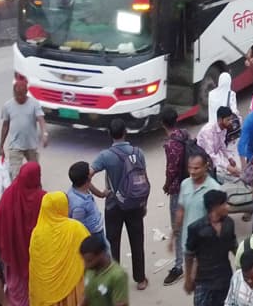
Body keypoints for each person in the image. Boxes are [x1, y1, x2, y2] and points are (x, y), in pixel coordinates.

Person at [91, 119, 149, 290]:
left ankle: (115, 281)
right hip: (135, 205)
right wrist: (143, 203)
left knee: (113, 243)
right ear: (126, 132)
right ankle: (140, 280)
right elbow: (143, 180)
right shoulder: (138, 153)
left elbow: (87, 176)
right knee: (137, 242)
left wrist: (100, 193)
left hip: (113, 206)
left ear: (109, 134)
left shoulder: (105, 155)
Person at [0, 161, 45, 306]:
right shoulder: (43, 198)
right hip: (36, 257)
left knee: (15, 289)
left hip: (12, 253)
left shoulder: (8, 195)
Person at [29, 191, 90, 306]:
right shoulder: (76, 228)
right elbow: (90, 256)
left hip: (47, 292)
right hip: (73, 287)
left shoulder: (36, 234)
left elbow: (35, 268)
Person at [185, 190, 238, 306]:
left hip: (225, 277)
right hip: (204, 280)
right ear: (215, 207)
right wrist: (188, 278)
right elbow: (189, 254)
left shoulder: (229, 224)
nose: (227, 207)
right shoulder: (196, 228)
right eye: (224, 204)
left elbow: (234, 247)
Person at [176, 153, 224, 281]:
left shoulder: (214, 188)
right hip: (188, 241)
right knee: (192, 279)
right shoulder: (185, 184)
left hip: (206, 244)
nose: (192, 172)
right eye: (190, 168)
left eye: (196, 168)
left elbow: (219, 219)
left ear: (206, 167)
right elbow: (181, 209)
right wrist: (173, 234)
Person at [161, 109, 190, 285]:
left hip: (177, 190)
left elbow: (171, 170)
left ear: (162, 123)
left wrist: (166, 185)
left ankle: (179, 266)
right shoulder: (185, 134)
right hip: (191, 185)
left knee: (177, 227)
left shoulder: (170, 144)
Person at [0, 80, 48, 180]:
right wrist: (1, 145)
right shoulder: (7, 106)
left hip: (31, 145)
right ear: (13, 93)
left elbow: (41, 119)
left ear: (26, 92)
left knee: (35, 173)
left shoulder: (34, 104)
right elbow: (5, 126)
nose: (20, 97)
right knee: (15, 176)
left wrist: (44, 133)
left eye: (22, 95)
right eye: (17, 95)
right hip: (15, 146)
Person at [81, 233, 129, 306]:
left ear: (101, 255)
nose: (86, 265)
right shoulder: (89, 269)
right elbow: (87, 295)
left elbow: (121, 304)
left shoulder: (118, 276)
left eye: (89, 260)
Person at [199, 107, 241, 180]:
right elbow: (211, 154)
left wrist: (230, 158)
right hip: (201, 158)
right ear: (220, 120)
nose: (230, 122)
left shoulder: (224, 128)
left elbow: (222, 145)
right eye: (228, 120)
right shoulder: (208, 131)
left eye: (231, 119)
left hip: (210, 159)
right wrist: (228, 167)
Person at [67, 161, 105, 242]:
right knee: (106, 253)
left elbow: (90, 185)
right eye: (89, 170)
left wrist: (102, 194)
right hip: (93, 235)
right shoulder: (79, 205)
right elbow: (77, 226)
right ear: (88, 178)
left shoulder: (77, 188)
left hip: (95, 230)